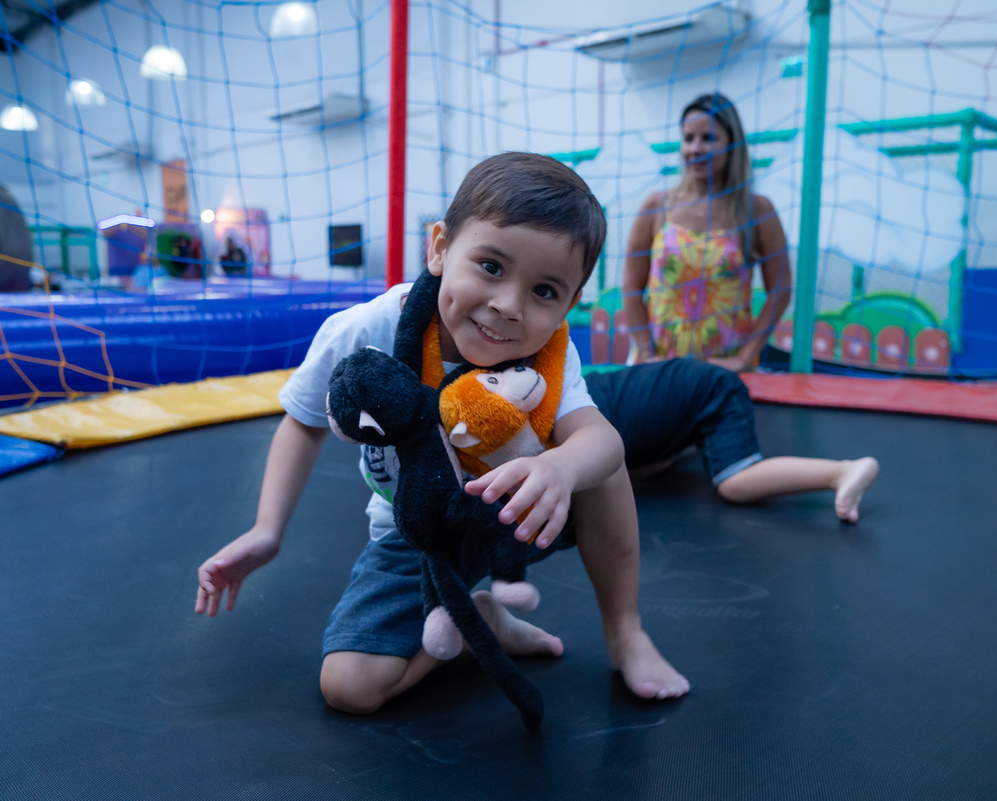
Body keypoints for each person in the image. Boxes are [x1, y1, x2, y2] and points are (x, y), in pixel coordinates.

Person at [195, 153, 689, 713]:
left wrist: (558, 468)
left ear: (570, 304)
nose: (508, 306)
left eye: (545, 291)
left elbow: (601, 440)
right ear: (439, 248)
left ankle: (626, 632)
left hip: (512, 512)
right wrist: (268, 529)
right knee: (350, 687)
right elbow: (304, 420)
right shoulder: (370, 329)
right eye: (491, 267)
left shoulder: (547, 355)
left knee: (599, 465)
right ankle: (476, 622)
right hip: (417, 531)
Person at [585, 359, 879, 522]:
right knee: (641, 468)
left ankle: (842, 471)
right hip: (688, 389)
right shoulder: (585, 398)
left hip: (712, 390)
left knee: (735, 483)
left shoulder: (581, 418)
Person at [623, 92, 792, 372]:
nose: (695, 148)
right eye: (688, 138)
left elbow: (781, 290)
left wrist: (745, 357)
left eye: (708, 138)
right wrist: (646, 352)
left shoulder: (756, 210)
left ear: (732, 144)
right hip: (662, 370)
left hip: (725, 372)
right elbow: (631, 288)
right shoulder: (656, 207)